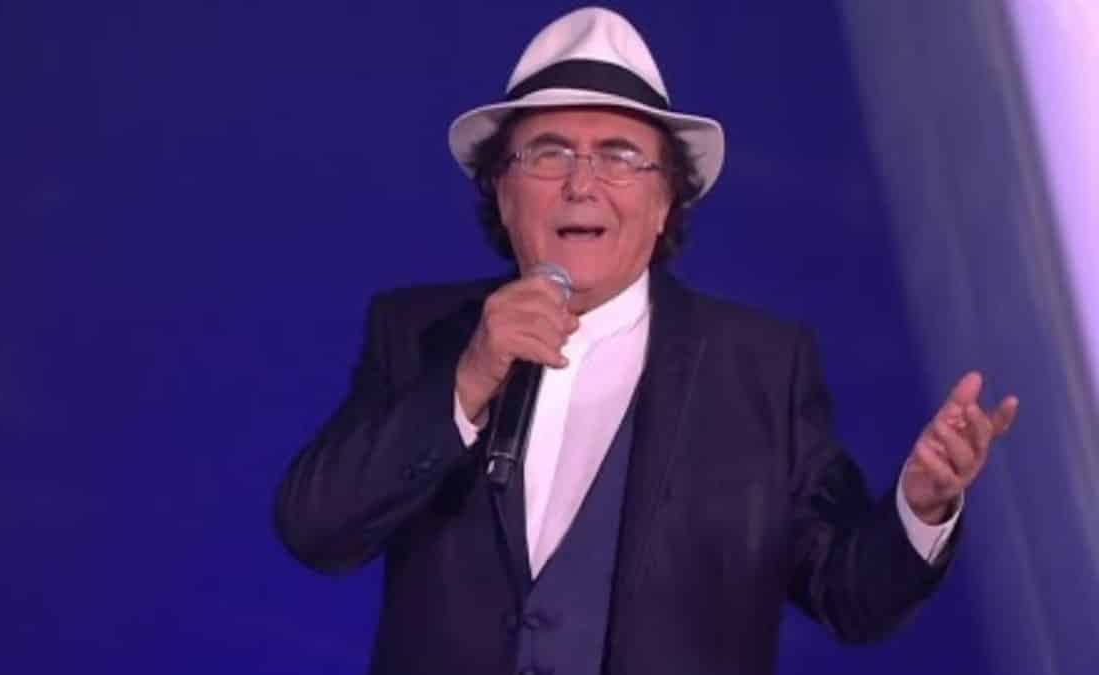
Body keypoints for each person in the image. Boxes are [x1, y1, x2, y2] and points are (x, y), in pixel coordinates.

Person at [272, 7, 1018, 675]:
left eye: (621, 156)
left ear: (665, 202)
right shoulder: (418, 332)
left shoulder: (761, 367)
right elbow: (316, 529)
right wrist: (466, 381)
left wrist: (921, 507)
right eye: (549, 153)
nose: (582, 183)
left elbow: (847, 594)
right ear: (502, 190)